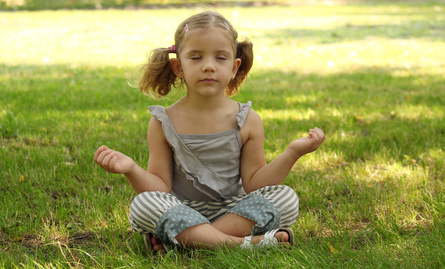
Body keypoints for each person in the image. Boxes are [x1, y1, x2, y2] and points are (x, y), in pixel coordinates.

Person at [94, 11, 325, 253]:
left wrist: (292, 153)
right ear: (178, 66)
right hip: (182, 209)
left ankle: (190, 240)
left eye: (220, 58)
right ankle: (244, 244)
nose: (208, 66)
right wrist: (131, 168)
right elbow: (160, 188)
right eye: (195, 58)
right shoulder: (163, 122)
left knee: (286, 198)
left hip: (236, 210)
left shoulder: (248, 120)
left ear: (234, 67)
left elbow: (256, 184)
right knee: (144, 204)